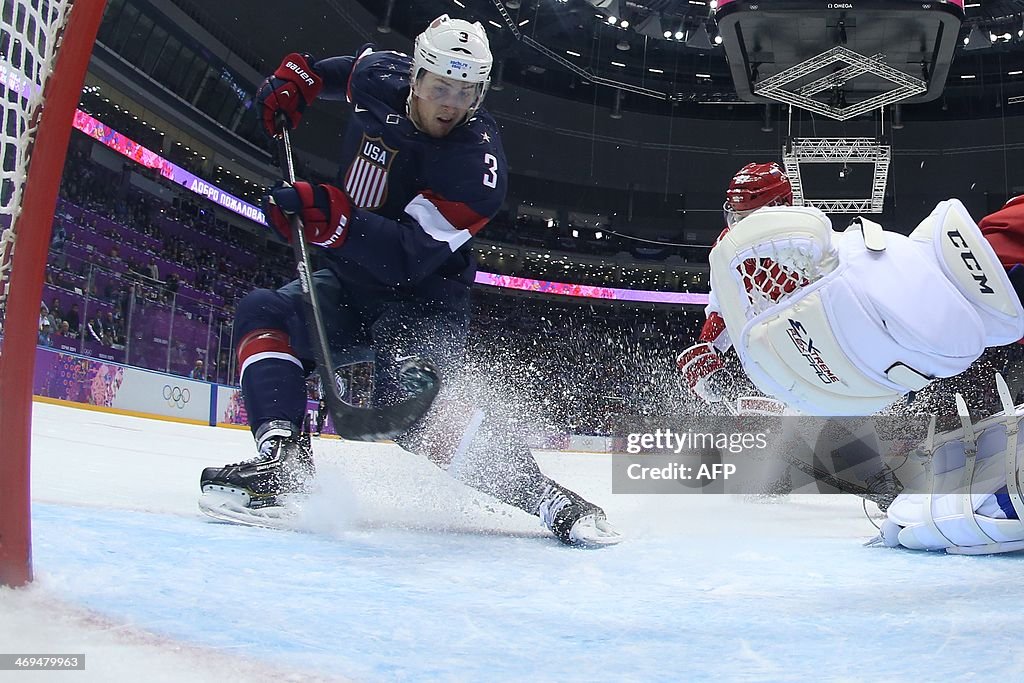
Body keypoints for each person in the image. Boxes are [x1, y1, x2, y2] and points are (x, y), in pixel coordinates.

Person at [199, 15, 620, 546]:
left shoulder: (478, 168)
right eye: (441, 86)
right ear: (416, 76)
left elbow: (403, 258)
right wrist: (301, 80)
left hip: (423, 300)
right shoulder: (382, 74)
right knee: (264, 312)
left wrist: (333, 219)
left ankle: (548, 498)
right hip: (349, 283)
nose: (451, 103)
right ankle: (281, 461)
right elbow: (340, 71)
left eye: (466, 92)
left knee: (415, 413)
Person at [676, 162, 794, 405]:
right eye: (736, 216)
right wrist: (708, 347)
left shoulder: (812, 245)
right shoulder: (726, 252)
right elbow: (726, 308)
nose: (740, 227)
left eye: (748, 218)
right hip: (775, 358)